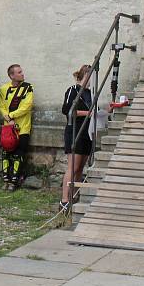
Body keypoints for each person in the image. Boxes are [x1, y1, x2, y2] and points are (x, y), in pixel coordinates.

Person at [60, 64, 94, 211]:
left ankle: (74, 196)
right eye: (92, 76)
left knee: (80, 167)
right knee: (72, 167)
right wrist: (88, 114)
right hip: (74, 131)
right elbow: (67, 110)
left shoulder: (91, 93)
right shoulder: (73, 90)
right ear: (86, 75)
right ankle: (64, 200)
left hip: (87, 132)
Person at [0, 64, 34, 191]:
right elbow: (1, 105)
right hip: (8, 128)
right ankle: (6, 180)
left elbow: (26, 106)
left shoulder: (27, 88)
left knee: (19, 154)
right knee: (6, 153)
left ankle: (15, 181)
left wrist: (11, 115)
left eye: (21, 71)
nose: (22, 74)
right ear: (12, 75)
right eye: (19, 72)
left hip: (22, 128)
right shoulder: (3, 89)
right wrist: (7, 117)